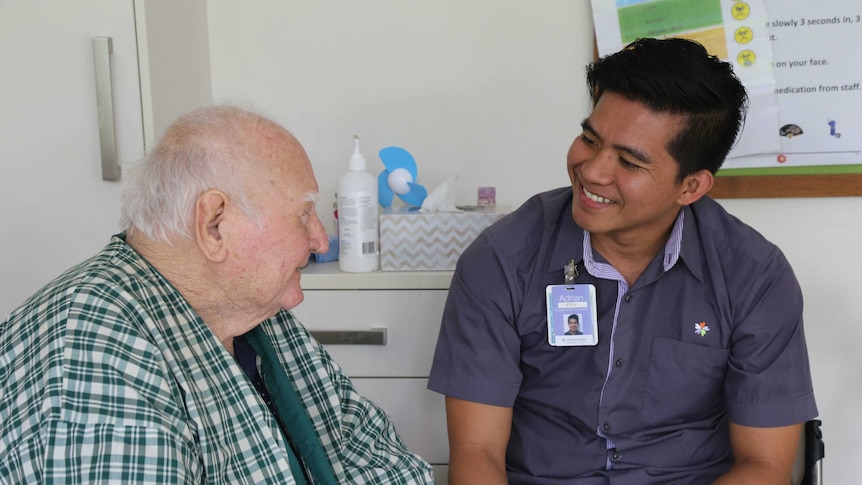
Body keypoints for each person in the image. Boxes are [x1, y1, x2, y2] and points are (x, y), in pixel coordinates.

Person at [428, 38, 818, 484]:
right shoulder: (503, 258)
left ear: (690, 187)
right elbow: (477, 452)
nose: (592, 170)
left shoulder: (754, 277)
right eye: (589, 139)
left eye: (629, 162)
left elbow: (764, 465)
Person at [0, 106, 434, 484]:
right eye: (304, 214)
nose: (321, 241)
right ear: (214, 224)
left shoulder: (253, 315)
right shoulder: (96, 351)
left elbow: (374, 456)